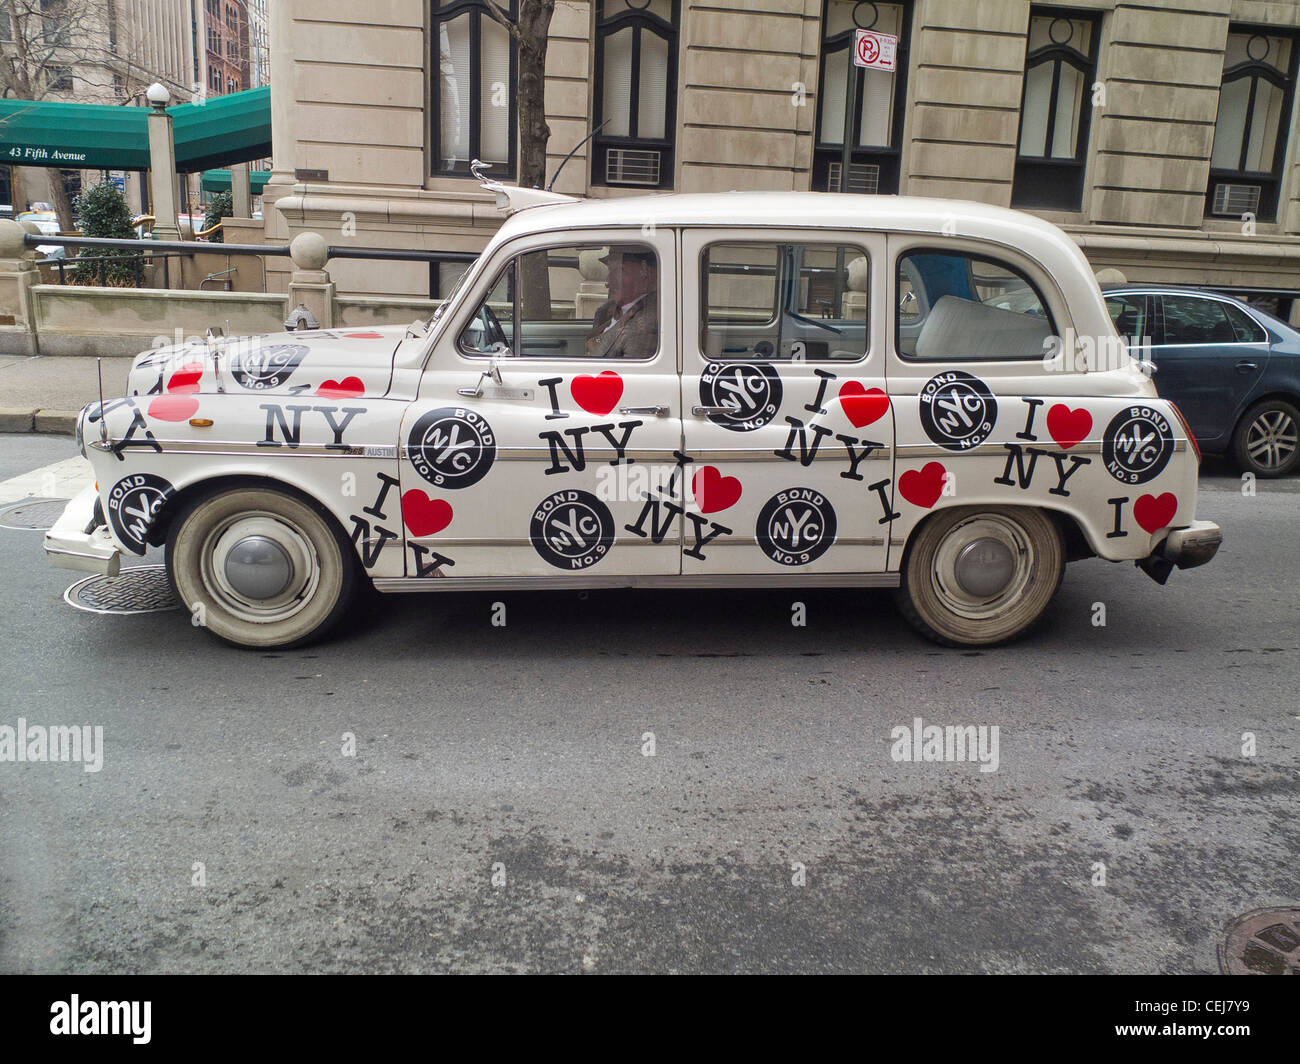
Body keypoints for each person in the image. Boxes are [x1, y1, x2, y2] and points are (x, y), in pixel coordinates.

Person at [584, 246, 658, 359]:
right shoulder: (606, 312)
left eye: (618, 270)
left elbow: (631, 373)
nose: (608, 282)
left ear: (645, 272)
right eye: (610, 271)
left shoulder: (645, 323)